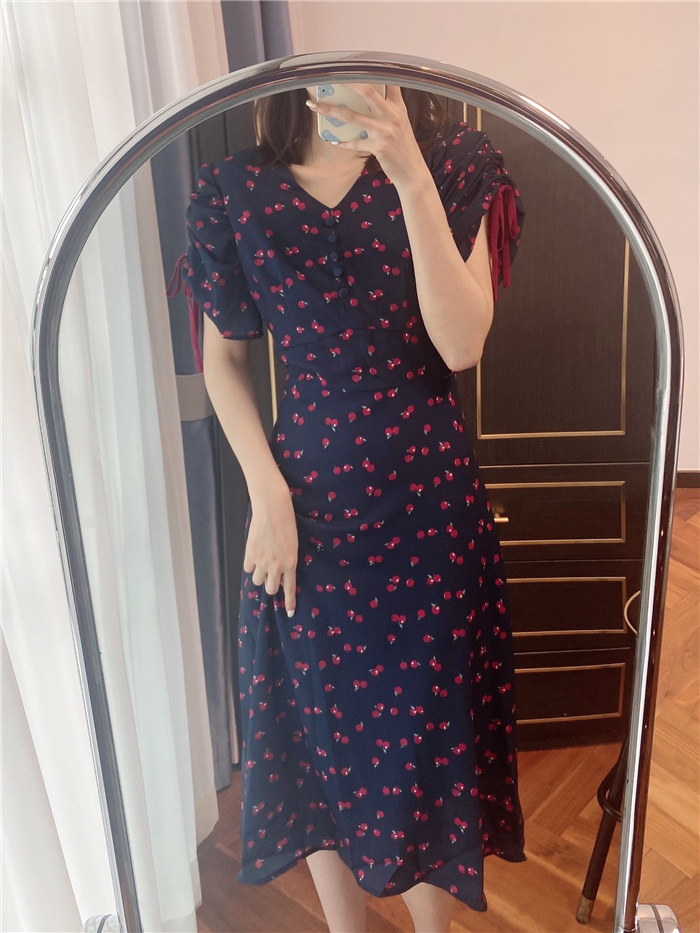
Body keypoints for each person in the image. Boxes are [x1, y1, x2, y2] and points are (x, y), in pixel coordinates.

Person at [167, 83, 526, 933]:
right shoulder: (235, 190)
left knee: (429, 734)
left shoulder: (454, 164)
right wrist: (265, 493)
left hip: (430, 513)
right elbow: (224, 363)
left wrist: (407, 172)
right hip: (299, 513)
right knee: (312, 727)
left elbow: (461, 343)